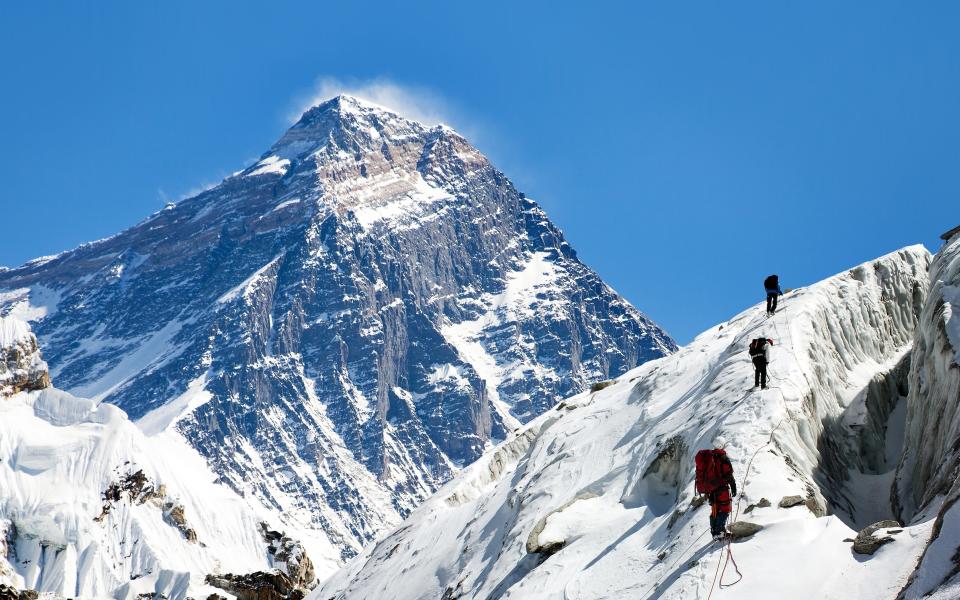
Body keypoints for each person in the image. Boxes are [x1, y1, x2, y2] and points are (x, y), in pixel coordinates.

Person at [697, 436, 737, 540]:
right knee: (724, 508)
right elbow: (728, 474)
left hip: (711, 489)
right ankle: (720, 532)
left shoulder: (709, 457)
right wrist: (733, 486)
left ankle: (714, 532)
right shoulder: (722, 457)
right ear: (722, 445)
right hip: (721, 488)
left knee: (715, 509)